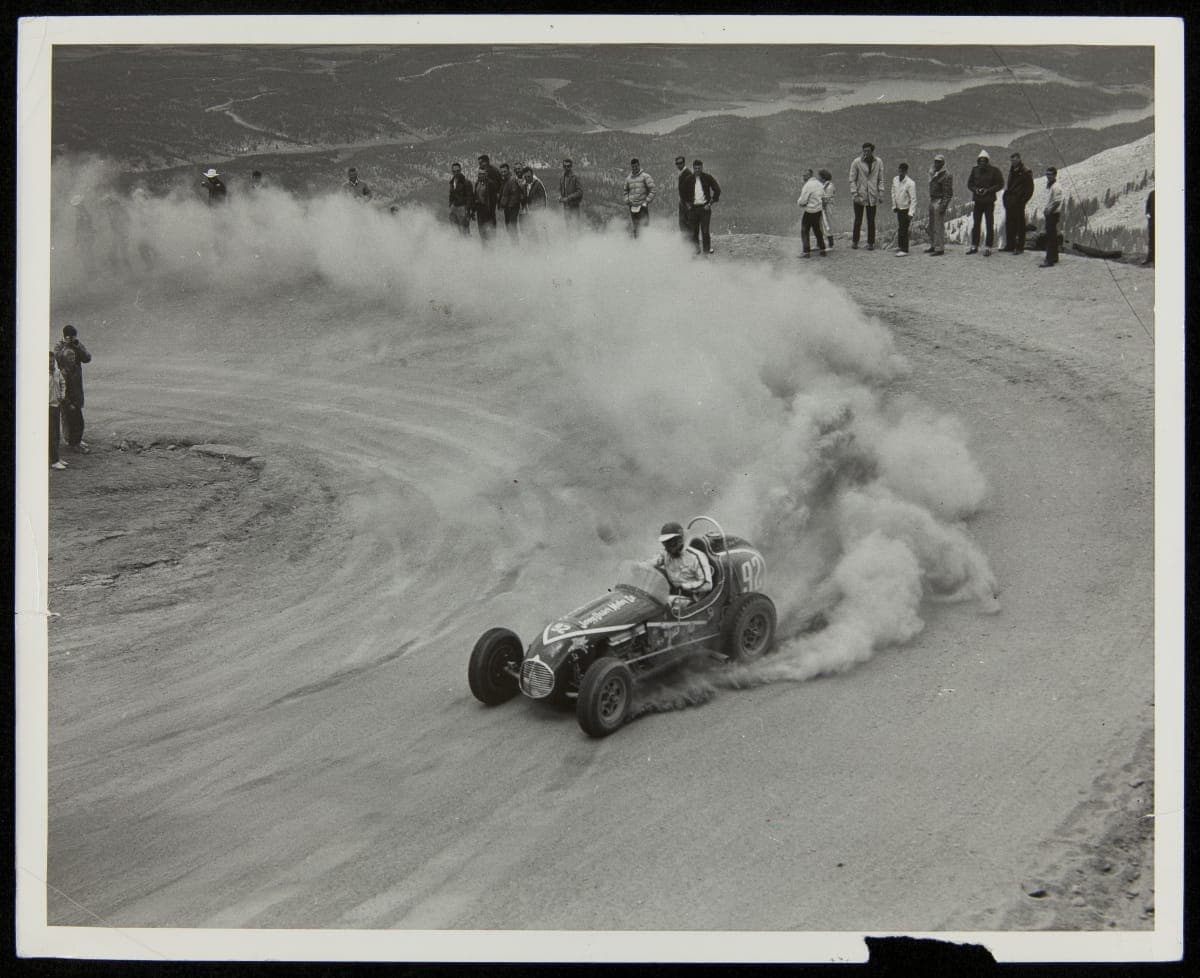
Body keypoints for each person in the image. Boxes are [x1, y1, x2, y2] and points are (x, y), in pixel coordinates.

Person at [652, 522, 713, 605]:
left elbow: (707, 584)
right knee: (651, 598)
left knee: (662, 602)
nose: (668, 546)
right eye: (665, 543)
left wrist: (685, 586)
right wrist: (640, 566)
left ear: (680, 539)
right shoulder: (666, 553)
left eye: (671, 542)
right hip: (673, 591)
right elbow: (653, 562)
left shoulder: (696, 556)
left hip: (692, 597)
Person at [54, 324, 91, 452]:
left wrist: (77, 345)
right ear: (65, 337)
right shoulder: (59, 346)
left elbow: (87, 358)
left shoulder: (76, 345)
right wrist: (66, 346)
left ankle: (76, 440)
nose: (73, 339)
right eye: (70, 337)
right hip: (65, 382)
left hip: (76, 381)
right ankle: (70, 440)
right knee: (68, 414)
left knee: (77, 410)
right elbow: (57, 359)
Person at [966, 150, 1005, 255]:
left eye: (984, 160)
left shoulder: (994, 171)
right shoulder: (975, 170)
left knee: (989, 224)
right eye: (980, 160)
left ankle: (988, 247)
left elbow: (1000, 184)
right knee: (976, 224)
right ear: (978, 161)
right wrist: (976, 190)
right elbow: (969, 184)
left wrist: (988, 190)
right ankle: (974, 246)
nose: (982, 162)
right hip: (978, 201)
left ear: (987, 161)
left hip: (989, 201)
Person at [679, 159, 721, 256]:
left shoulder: (707, 177)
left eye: (699, 168)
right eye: (695, 168)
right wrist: (687, 204)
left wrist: (710, 203)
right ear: (693, 168)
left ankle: (706, 252)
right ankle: (696, 250)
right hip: (693, 209)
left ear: (702, 168)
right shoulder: (689, 179)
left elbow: (717, 190)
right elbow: (682, 192)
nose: (697, 170)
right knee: (694, 231)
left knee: (705, 231)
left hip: (705, 208)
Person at [848, 141, 883, 250]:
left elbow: (881, 178)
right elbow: (852, 179)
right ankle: (855, 241)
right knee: (858, 219)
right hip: (860, 194)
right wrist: (855, 194)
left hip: (872, 195)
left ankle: (871, 243)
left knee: (871, 220)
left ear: (872, 151)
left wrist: (881, 193)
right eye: (864, 151)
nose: (866, 153)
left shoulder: (878, 162)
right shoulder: (857, 162)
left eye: (868, 151)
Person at [1001, 152, 1034, 254]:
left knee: (1020, 225)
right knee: (1009, 224)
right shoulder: (1012, 171)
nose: (1013, 161)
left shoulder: (1026, 171)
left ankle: (1020, 247)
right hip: (1010, 202)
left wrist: (1022, 201)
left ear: (1019, 159)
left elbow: (1030, 189)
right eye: (1011, 160)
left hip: (1018, 203)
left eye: (1015, 159)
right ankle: (1010, 245)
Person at [925, 154, 953, 256]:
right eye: (935, 161)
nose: (936, 163)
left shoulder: (946, 175)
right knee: (932, 225)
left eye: (938, 162)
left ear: (943, 163)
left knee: (938, 226)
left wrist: (943, 206)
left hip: (939, 201)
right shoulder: (933, 173)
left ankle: (939, 248)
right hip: (932, 200)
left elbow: (948, 193)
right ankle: (933, 245)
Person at [796, 168, 827, 257]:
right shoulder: (819, 184)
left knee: (804, 230)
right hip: (818, 211)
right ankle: (822, 249)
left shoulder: (807, 186)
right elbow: (823, 197)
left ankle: (806, 252)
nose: (803, 177)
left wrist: (800, 203)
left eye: (804, 175)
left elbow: (802, 201)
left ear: (809, 176)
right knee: (817, 230)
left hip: (809, 211)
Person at [623, 157, 656, 237]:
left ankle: (646, 245)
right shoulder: (628, 179)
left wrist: (646, 201)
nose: (635, 168)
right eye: (633, 167)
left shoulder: (645, 176)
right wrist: (627, 201)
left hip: (642, 206)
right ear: (631, 167)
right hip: (633, 207)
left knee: (645, 227)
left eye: (636, 166)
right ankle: (637, 245)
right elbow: (625, 191)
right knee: (636, 227)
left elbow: (653, 189)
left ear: (639, 165)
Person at [891, 161, 917, 256]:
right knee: (900, 228)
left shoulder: (910, 183)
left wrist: (911, 213)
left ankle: (904, 249)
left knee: (904, 229)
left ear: (906, 172)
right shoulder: (895, 179)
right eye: (899, 171)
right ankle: (900, 246)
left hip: (906, 209)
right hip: (899, 208)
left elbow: (913, 199)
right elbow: (893, 192)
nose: (900, 173)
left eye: (902, 171)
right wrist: (894, 206)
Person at [1040, 166, 1064, 268]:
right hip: (1051, 213)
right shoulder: (1051, 185)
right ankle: (1054, 256)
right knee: (1053, 236)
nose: (1048, 176)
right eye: (1047, 174)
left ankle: (1049, 260)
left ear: (1054, 175)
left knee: (1050, 236)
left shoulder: (1056, 186)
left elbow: (1057, 201)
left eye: (1050, 174)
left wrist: (1049, 210)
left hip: (1053, 214)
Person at [472, 159, 499, 242]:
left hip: (488, 211)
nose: (481, 176)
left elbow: (493, 200)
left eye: (483, 174)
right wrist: (473, 210)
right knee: (482, 232)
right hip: (480, 211)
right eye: (479, 174)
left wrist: (491, 212)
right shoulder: (477, 183)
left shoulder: (491, 184)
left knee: (490, 232)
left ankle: (492, 250)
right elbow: (475, 197)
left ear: (486, 174)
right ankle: (484, 250)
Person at [49, 352, 67, 470]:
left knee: (56, 433)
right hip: (47, 407)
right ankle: (54, 460)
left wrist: (62, 394)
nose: (50, 363)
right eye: (48, 361)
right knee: (51, 434)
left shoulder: (57, 372)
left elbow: (63, 383)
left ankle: (57, 457)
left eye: (52, 361)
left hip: (56, 406)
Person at [498, 162, 524, 239]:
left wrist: (507, 206)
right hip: (507, 209)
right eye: (501, 172)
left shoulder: (512, 180)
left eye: (505, 171)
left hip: (512, 209)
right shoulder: (504, 180)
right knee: (509, 228)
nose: (503, 173)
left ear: (508, 171)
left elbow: (515, 196)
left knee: (512, 228)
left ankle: (515, 247)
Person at [448, 161, 473, 235]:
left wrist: (467, 210)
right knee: (454, 230)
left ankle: (466, 245)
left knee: (464, 230)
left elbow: (470, 197)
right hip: (454, 208)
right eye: (454, 171)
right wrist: (451, 204)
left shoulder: (466, 182)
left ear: (460, 170)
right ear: (452, 171)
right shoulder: (452, 182)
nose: (456, 172)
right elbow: (451, 195)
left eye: (457, 171)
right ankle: (457, 245)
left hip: (463, 208)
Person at [558, 158, 583, 227]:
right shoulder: (562, 177)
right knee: (568, 227)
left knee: (575, 226)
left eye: (568, 166)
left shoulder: (575, 177)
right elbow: (560, 189)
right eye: (565, 166)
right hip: (566, 207)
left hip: (574, 207)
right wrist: (560, 196)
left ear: (571, 166)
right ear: (563, 167)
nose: (566, 168)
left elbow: (580, 192)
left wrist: (568, 198)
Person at [819, 169, 837, 247]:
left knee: (827, 223)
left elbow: (826, 199)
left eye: (820, 177)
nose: (819, 179)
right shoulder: (826, 185)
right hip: (825, 206)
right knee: (824, 224)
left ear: (823, 178)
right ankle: (824, 242)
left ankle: (830, 243)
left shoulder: (829, 186)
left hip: (828, 207)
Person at [673, 155, 690, 236]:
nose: (679, 165)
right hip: (683, 202)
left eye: (680, 163)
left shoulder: (687, 173)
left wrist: (687, 202)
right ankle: (686, 241)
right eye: (677, 163)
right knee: (683, 223)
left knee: (685, 223)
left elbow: (690, 189)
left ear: (684, 163)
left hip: (686, 203)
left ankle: (688, 242)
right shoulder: (683, 173)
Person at [1143, 189, 1154, 265]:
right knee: (1151, 240)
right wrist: (1148, 217)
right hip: (1152, 222)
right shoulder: (1152, 193)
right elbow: (1147, 208)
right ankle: (1150, 258)